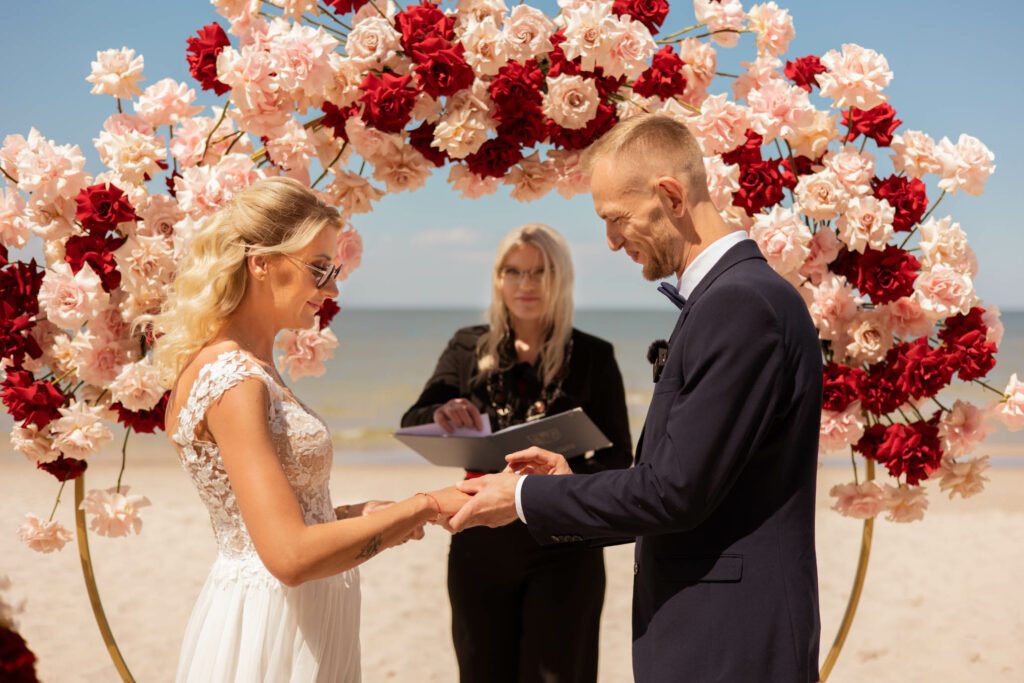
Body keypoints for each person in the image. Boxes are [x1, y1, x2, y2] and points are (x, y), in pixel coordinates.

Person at [449, 115, 823, 682]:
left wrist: (523, 498)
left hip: (728, 638)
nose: (612, 241)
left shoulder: (739, 304)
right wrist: (565, 486)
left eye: (616, 219)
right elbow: (682, 479)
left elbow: (674, 492)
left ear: (670, 195)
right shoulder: (733, 298)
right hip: (713, 627)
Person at [148, 176, 469, 683]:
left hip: (302, 611)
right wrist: (425, 504)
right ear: (261, 263)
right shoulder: (235, 381)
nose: (333, 288)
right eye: (319, 269)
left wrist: (362, 517)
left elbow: (279, 521)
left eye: (335, 270)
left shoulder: (252, 367)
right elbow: (288, 556)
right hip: (272, 624)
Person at [402, 223, 632, 683]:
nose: (525, 285)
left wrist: (565, 473)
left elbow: (618, 458)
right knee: (481, 671)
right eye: (514, 271)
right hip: (480, 539)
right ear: (498, 277)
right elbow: (415, 419)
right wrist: (445, 409)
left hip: (563, 545)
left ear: (560, 279)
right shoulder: (468, 346)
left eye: (539, 272)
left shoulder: (592, 356)